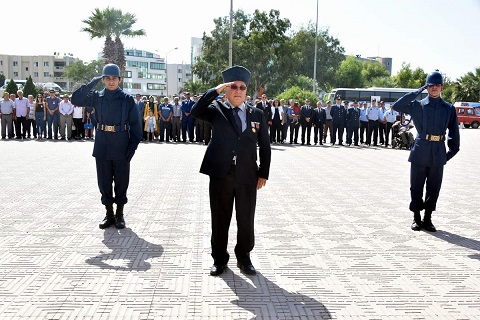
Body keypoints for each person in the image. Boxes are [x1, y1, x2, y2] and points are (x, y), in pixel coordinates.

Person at [191, 65, 271, 276]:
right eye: (233, 86)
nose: (237, 90)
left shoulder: (257, 114)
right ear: (226, 90)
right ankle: (219, 259)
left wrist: (264, 172)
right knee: (220, 218)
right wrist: (214, 91)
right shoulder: (216, 109)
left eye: (242, 87)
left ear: (247, 91)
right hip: (221, 173)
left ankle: (244, 258)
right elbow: (195, 111)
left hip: (247, 175)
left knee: (246, 218)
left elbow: (264, 145)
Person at [71, 63, 142, 230]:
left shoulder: (127, 100)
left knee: (121, 181)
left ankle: (120, 214)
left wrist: (132, 147)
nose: (111, 81)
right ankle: (109, 213)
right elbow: (76, 99)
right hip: (102, 143)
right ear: (103, 80)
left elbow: (136, 126)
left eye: (114, 78)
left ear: (119, 80)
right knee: (104, 181)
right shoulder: (96, 97)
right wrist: (90, 83)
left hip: (121, 143)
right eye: (107, 78)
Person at [392, 71, 460, 232]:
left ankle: (427, 218)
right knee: (416, 185)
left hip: (438, 150)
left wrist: (448, 154)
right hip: (420, 149)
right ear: (426, 87)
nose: (434, 88)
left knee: (434, 187)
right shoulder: (418, 105)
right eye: (431, 85)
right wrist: (416, 92)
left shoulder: (448, 108)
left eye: (437, 85)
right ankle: (416, 217)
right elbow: (397, 105)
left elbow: (454, 134)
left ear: (442, 87)